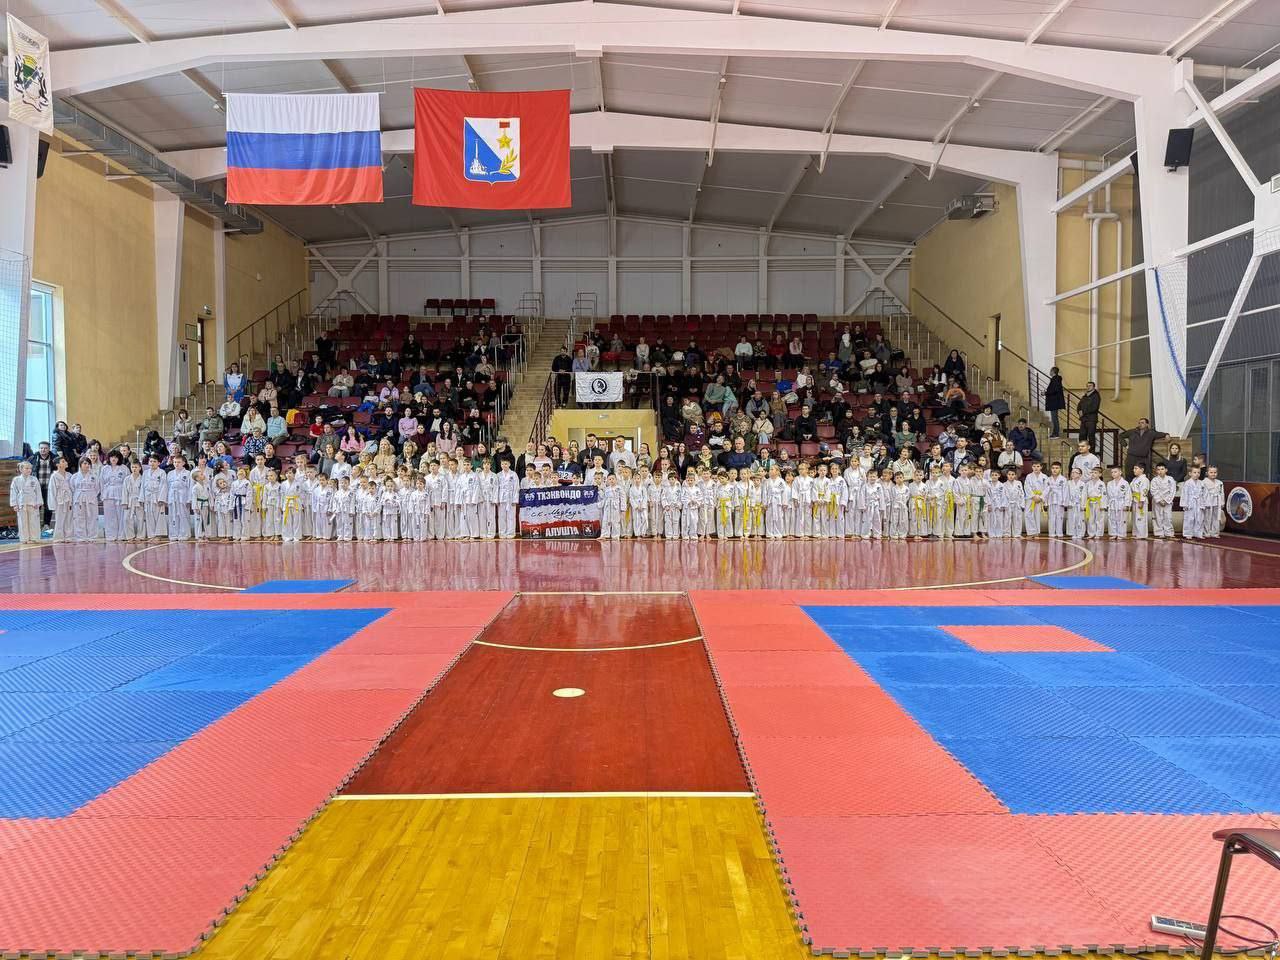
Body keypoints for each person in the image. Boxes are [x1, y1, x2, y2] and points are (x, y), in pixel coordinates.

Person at [9, 461, 43, 543]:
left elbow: (38, 491)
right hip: (21, 503)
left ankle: (34, 538)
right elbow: (13, 492)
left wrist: (38, 502)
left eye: (30, 468)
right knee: (22, 521)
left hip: (33, 503)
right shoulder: (16, 480)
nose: (29, 470)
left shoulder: (34, 479)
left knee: (33, 521)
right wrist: (14, 504)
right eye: (27, 468)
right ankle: (24, 539)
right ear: (21, 469)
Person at [1150, 462, 1176, 539]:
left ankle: (1169, 532)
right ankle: (1159, 532)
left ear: (1166, 470)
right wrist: (1159, 500)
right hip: (1157, 501)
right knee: (1158, 516)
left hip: (1167, 501)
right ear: (1156, 471)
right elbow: (1153, 490)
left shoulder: (1170, 479)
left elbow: (1172, 490)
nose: (1160, 471)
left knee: (1168, 517)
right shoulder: (1154, 480)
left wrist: (1167, 500)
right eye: (1158, 469)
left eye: (1162, 469)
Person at [1077, 381, 1101, 451]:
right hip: (1084, 419)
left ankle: (1091, 451)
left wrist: (1083, 412)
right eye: (1087, 386)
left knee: (1091, 436)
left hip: (1091, 419)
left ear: (1093, 387)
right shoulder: (1085, 396)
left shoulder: (1096, 396)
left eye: (1090, 386)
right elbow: (1079, 405)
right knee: (1082, 435)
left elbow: (1094, 408)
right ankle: (1082, 450)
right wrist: (1079, 411)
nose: (1088, 387)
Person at [1043, 367, 1065, 438]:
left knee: (1054, 418)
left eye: (1050, 370)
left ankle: (1056, 433)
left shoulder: (1055, 379)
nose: (1049, 372)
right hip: (1055, 402)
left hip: (1054, 402)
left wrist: (1045, 393)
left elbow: (1054, 390)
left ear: (1053, 371)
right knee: (1054, 418)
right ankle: (1055, 433)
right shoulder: (1056, 379)